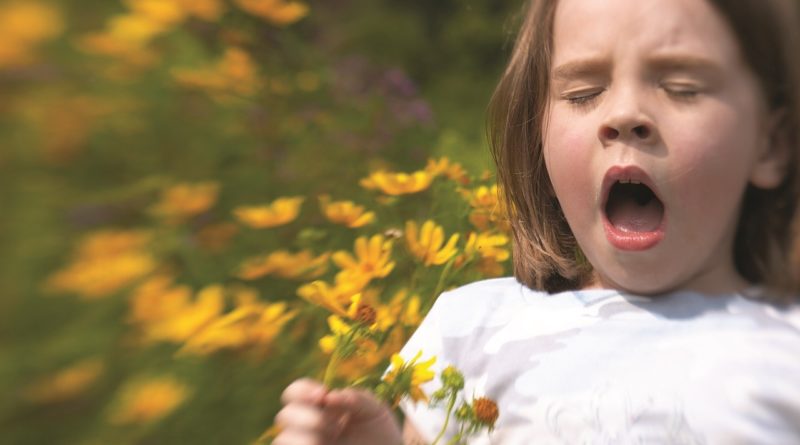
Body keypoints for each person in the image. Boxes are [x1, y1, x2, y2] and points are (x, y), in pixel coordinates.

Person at [273, 0, 800, 442]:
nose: (623, 115)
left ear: (770, 142)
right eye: (582, 93)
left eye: (683, 86)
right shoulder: (473, 328)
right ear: (537, 135)